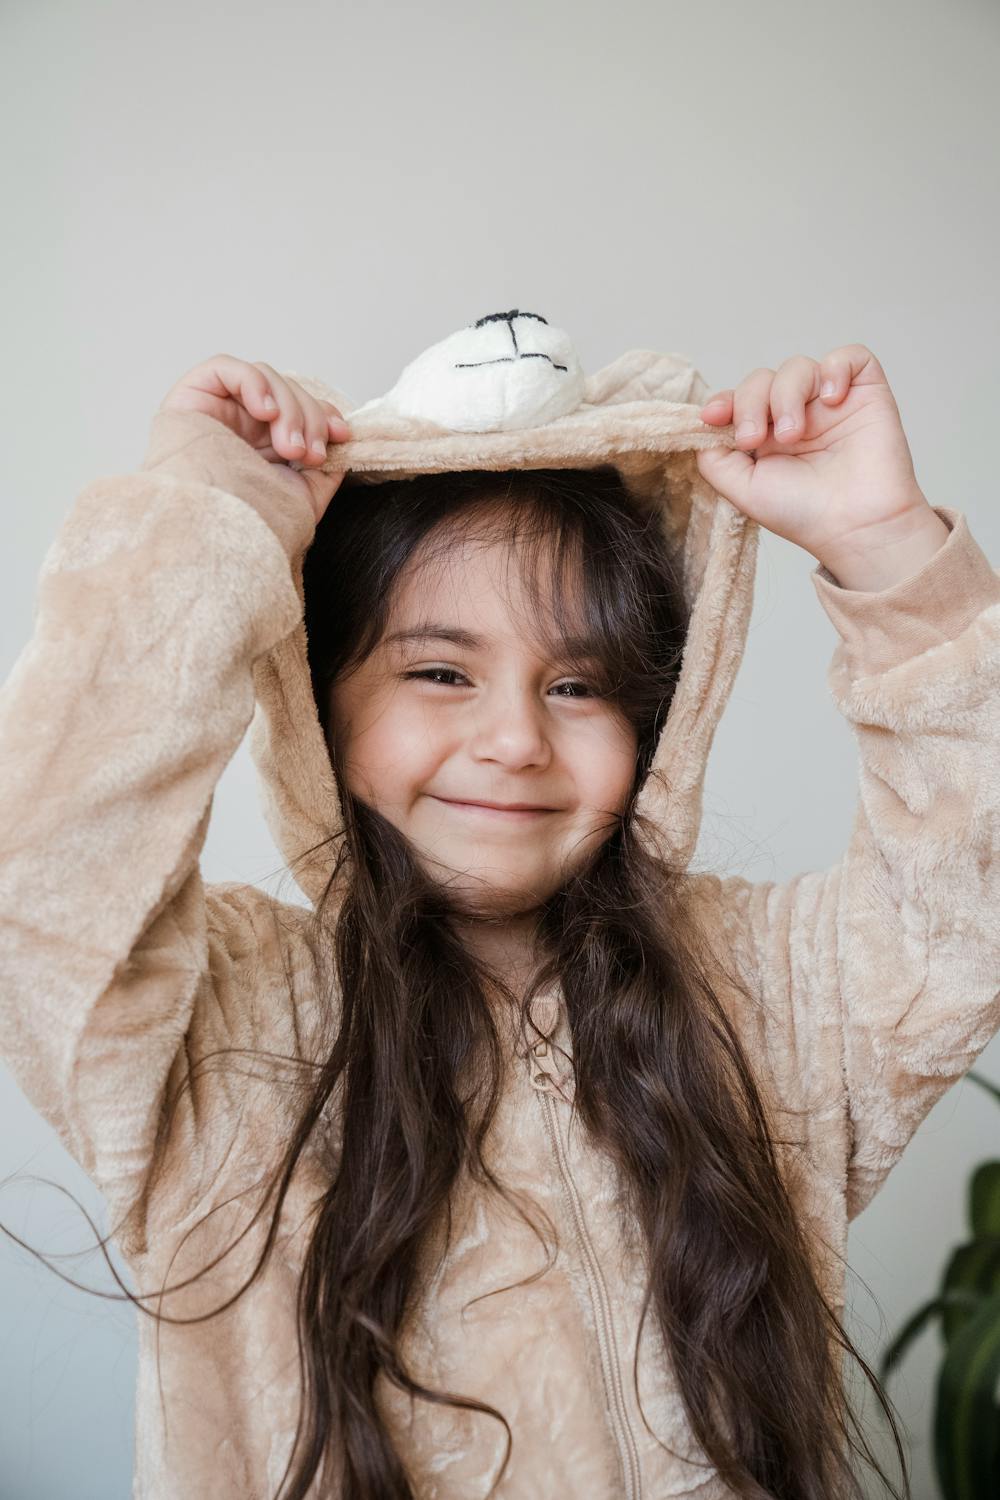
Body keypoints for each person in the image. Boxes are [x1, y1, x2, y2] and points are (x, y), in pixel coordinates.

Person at [2, 314, 999, 1500]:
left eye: (579, 685)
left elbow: (966, 896)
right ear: (323, 705)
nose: (518, 739)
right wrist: (204, 534)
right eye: (439, 671)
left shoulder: (768, 992)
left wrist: (888, 551)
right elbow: (46, 868)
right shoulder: (216, 1028)